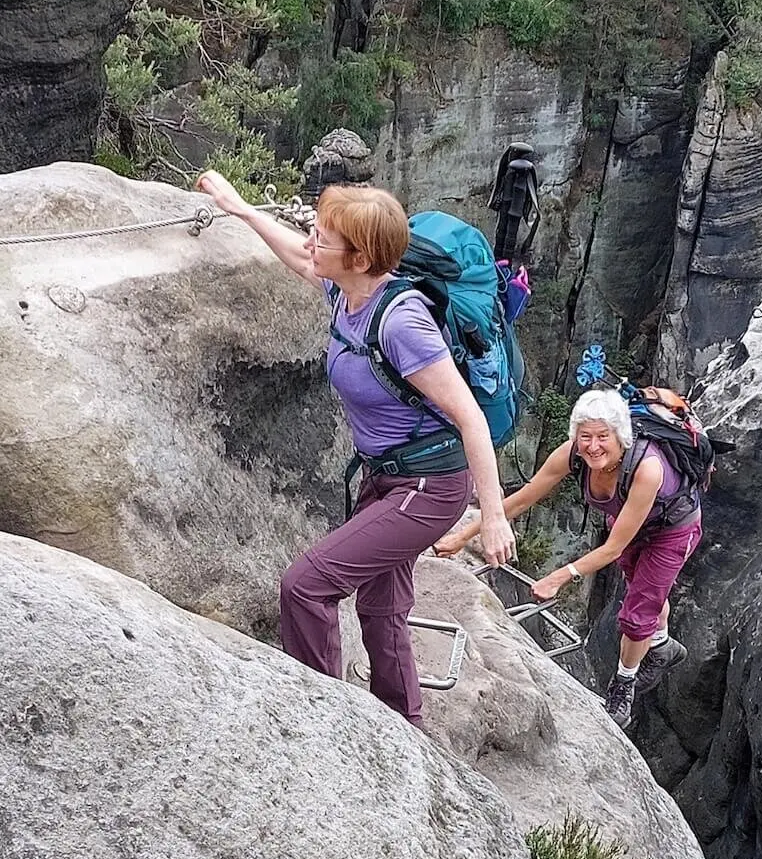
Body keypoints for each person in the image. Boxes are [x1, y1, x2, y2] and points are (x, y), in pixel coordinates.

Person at [196, 171, 515, 727]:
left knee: (305, 586)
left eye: (324, 236)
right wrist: (240, 208)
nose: (312, 241)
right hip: (383, 478)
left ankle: (327, 719)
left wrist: (492, 515)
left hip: (427, 487)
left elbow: (469, 418)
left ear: (362, 256)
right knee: (381, 607)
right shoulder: (348, 291)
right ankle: (403, 723)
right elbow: (297, 255)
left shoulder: (402, 322)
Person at [434, 388, 702, 730]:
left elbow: (613, 548)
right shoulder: (573, 455)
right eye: (585, 436)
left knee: (637, 615)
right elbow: (521, 499)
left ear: (621, 436)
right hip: (629, 518)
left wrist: (559, 576)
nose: (592, 446)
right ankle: (662, 647)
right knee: (644, 587)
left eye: (603, 437)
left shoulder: (647, 469)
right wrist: (461, 537)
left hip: (671, 529)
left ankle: (623, 690)